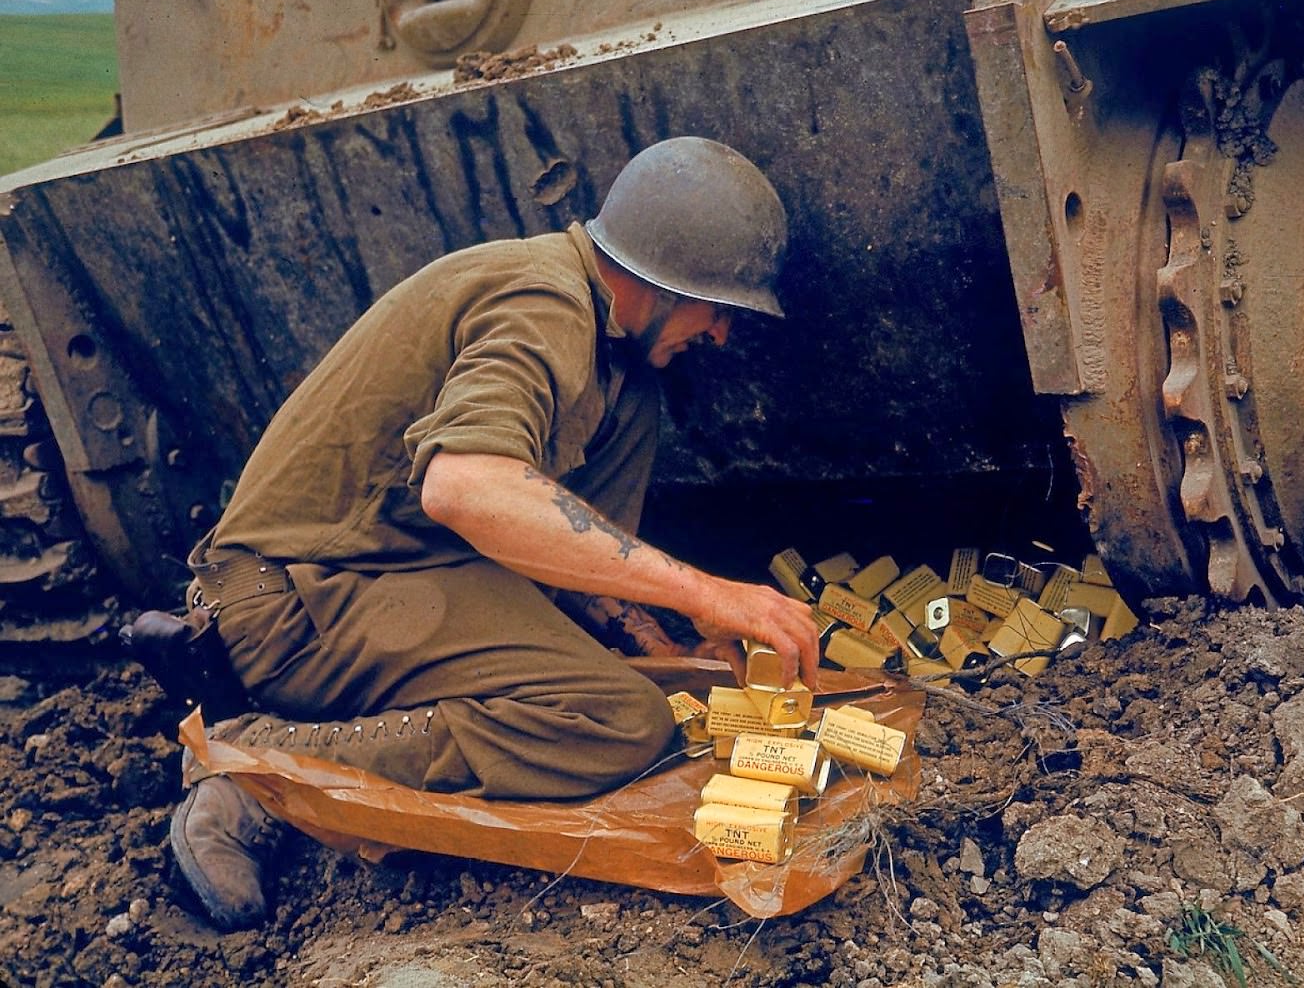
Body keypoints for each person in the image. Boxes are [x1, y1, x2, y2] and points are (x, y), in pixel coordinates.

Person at [164, 137, 821, 930]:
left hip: (395, 578)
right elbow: (467, 487)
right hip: (295, 599)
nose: (720, 336)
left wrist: (664, 646)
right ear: (664, 282)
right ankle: (254, 767)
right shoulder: (544, 299)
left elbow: (575, 554)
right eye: (719, 309)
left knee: (657, 696)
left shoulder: (625, 378)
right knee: (613, 722)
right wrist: (708, 591)